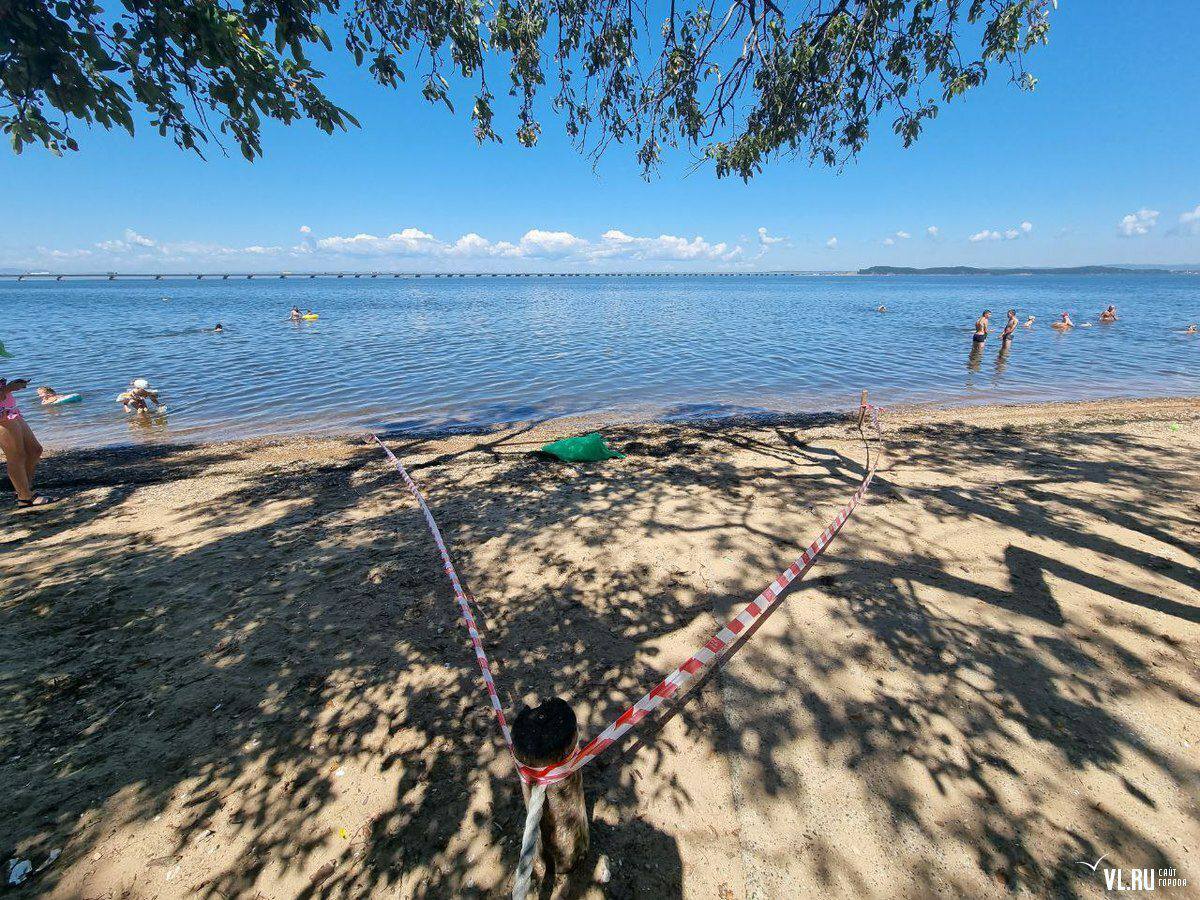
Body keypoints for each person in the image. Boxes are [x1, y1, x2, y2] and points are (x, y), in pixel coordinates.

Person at [0, 376, 51, 508]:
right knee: (16, 456)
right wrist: (8, 389)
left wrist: (10, 387)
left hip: (10, 410)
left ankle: (25, 490)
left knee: (34, 450)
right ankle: (24, 498)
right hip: (1, 416)